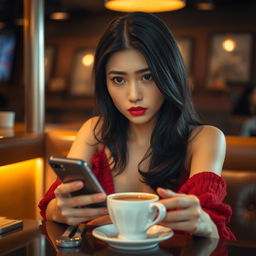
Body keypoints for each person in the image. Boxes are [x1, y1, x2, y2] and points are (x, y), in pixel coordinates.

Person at [39, 12, 235, 240]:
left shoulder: (204, 139)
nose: (133, 96)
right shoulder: (95, 132)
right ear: (105, 83)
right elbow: (52, 206)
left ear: (169, 74)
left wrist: (203, 222)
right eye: (119, 80)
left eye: (147, 76)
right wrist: (59, 209)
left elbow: (211, 228)